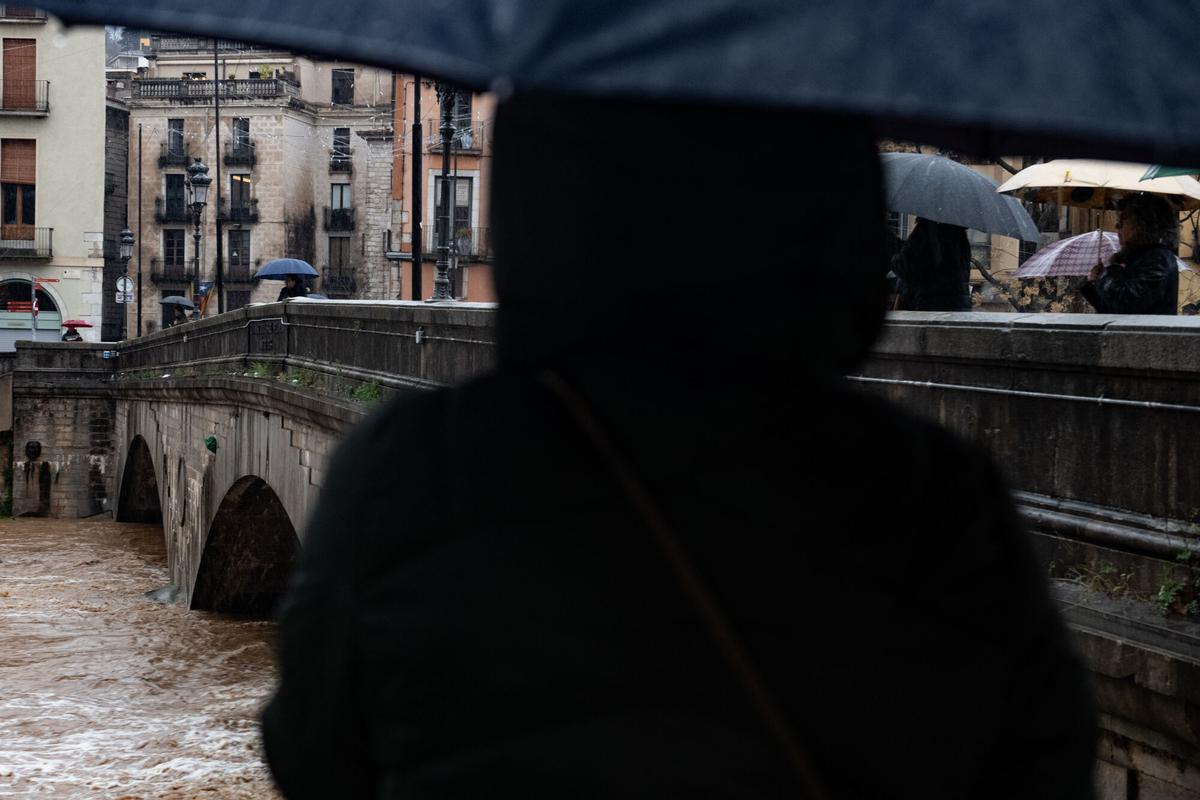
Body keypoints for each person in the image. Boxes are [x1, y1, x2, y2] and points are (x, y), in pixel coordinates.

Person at [261, 97, 1095, 799]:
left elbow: (313, 753)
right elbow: (1043, 761)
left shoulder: (410, 468)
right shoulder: (931, 495)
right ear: (826, 227)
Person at [1081, 193, 1180, 314]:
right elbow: (1110, 309)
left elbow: (1126, 304)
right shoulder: (1139, 258)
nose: (1117, 226)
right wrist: (1095, 282)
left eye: (1123, 222)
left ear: (1144, 225)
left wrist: (1109, 273)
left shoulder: (1158, 259)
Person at [889, 217, 973, 311]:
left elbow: (906, 266)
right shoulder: (959, 234)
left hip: (930, 307)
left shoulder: (927, 229)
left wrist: (893, 251)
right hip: (959, 306)